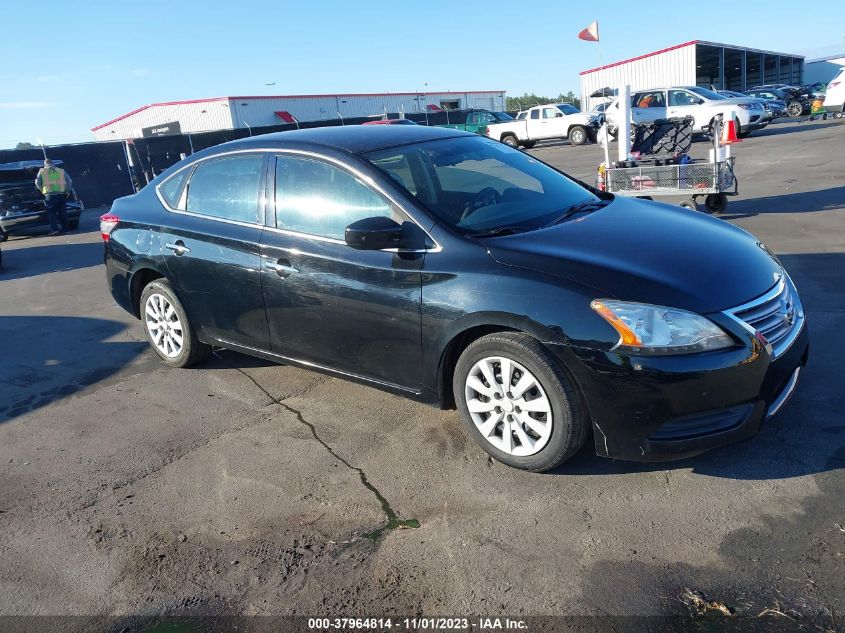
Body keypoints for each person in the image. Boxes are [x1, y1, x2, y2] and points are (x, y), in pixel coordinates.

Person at [34, 159, 73, 235]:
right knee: (63, 213)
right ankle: (66, 230)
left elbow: (37, 182)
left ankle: (54, 230)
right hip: (61, 195)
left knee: (51, 213)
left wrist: (42, 190)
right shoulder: (60, 170)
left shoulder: (42, 171)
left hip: (50, 196)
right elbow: (69, 180)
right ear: (53, 163)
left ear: (45, 164)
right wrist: (67, 191)